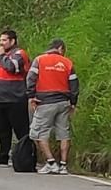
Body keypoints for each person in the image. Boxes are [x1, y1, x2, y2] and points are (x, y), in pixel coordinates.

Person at [26, 39, 79, 175]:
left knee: (39, 133)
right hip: (63, 102)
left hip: (45, 102)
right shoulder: (67, 63)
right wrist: (73, 102)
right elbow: (74, 85)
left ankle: (50, 163)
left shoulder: (39, 60)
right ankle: (63, 165)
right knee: (64, 134)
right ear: (60, 48)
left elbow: (30, 78)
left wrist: (31, 96)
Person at [0, 29, 30, 167]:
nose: (1, 43)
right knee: (3, 130)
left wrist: (1, 57)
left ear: (12, 41)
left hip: (15, 99)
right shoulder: (4, 56)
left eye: (4, 40)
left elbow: (12, 68)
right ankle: (3, 156)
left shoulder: (19, 54)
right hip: (1, 99)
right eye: (0, 40)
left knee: (21, 130)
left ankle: (26, 157)